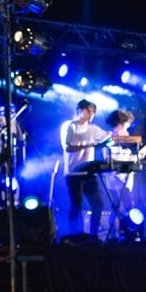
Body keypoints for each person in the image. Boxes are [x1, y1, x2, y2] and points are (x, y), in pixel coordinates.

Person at [60, 98, 110, 239]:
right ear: (79, 111)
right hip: (74, 173)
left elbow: (107, 137)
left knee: (98, 205)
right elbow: (67, 147)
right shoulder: (70, 126)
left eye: (93, 112)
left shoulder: (93, 128)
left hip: (89, 172)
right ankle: (75, 236)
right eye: (89, 111)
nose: (91, 114)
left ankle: (93, 235)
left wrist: (117, 137)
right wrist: (88, 145)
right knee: (77, 206)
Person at [103, 107, 145, 241]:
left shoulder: (124, 142)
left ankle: (126, 235)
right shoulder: (109, 139)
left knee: (126, 206)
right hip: (116, 180)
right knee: (119, 207)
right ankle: (116, 236)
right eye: (126, 127)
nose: (127, 131)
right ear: (119, 125)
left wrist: (136, 156)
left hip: (126, 179)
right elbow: (110, 160)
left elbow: (129, 157)